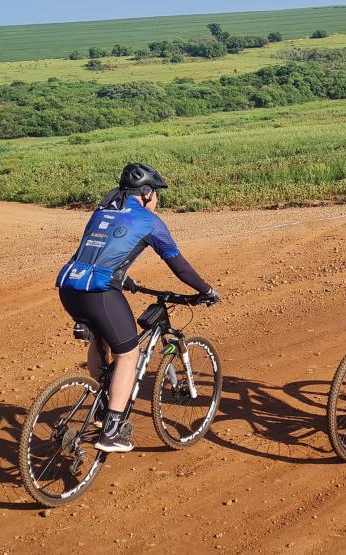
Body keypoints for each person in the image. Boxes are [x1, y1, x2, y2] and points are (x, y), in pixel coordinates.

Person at [56, 163, 219, 453]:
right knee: (128, 355)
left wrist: (123, 277)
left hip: (69, 288)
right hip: (99, 292)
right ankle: (111, 431)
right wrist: (206, 291)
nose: (157, 200)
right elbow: (179, 267)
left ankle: (101, 398)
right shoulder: (149, 221)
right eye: (156, 194)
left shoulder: (101, 211)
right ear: (145, 193)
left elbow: (97, 251)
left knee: (100, 338)